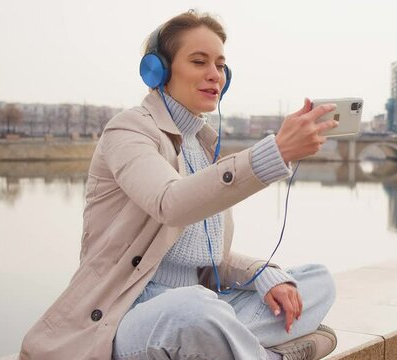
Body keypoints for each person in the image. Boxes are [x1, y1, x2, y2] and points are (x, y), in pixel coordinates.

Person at [20, 10, 339, 360]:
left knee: (315, 281)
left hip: (199, 310)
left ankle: (228, 344)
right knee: (194, 310)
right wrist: (272, 153)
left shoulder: (201, 143)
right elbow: (170, 203)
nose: (214, 75)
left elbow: (208, 258)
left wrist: (263, 276)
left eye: (220, 65)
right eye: (199, 61)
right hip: (128, 318)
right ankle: (265, 353)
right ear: (157, 70)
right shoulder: (128, 131)